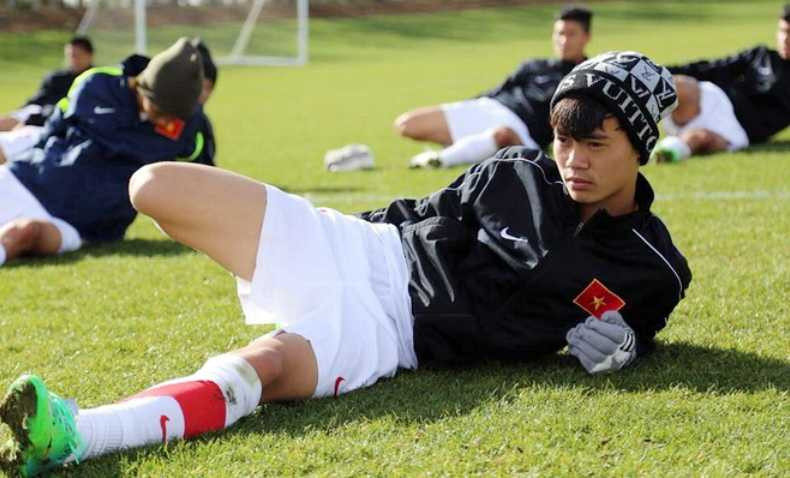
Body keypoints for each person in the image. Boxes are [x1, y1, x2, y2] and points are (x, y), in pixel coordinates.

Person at [0, 51, 691, 477]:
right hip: (363, 249)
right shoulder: (515, 170)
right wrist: (321, 230)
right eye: (564, 141)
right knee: (152, 186)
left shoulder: (654, 267)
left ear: (640, 146)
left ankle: (76, 434)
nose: (572, 161)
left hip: (389, 334)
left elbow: (642, 326)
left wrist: (628, 347)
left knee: (257, 372)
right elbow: (419, 209)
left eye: (594, 146)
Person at [0, 37, 212, 268]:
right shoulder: (96, 85)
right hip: (26, 179)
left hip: (78, 223)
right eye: (160, 111)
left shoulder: (192, 128)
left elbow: (200, 182)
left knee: (24, 233)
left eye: (174, 117)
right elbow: (52, 129)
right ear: (143, 87)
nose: (165, 121)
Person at [324, 6, 593, 172]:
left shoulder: (583, 78)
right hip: (489, 108)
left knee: (502, 135)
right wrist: (467, 109)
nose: (563, 40)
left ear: (586, 37)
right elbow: (497, 90)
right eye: (559, 33)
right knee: (406, 124)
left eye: (571, 34)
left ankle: (440, 160)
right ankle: (472, 149)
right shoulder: (533, 65)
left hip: (520, 132)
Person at [651, 4, 790, 162]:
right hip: (717, 100)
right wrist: (659, 71)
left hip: (739, 131)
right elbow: (713, 68)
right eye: (783, 31)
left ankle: (665, 151)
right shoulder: (761, 55)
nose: (785, 39)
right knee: (678, 86)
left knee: (700, 138)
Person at [0, 36, 94, 162]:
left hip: (54, 121)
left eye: (77, 56)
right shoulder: (57, 77)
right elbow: (38, 99)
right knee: (9, 120)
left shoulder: (95, 81)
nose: (73, 59)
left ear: (89, 55)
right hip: (40, 111)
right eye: (70, 55)